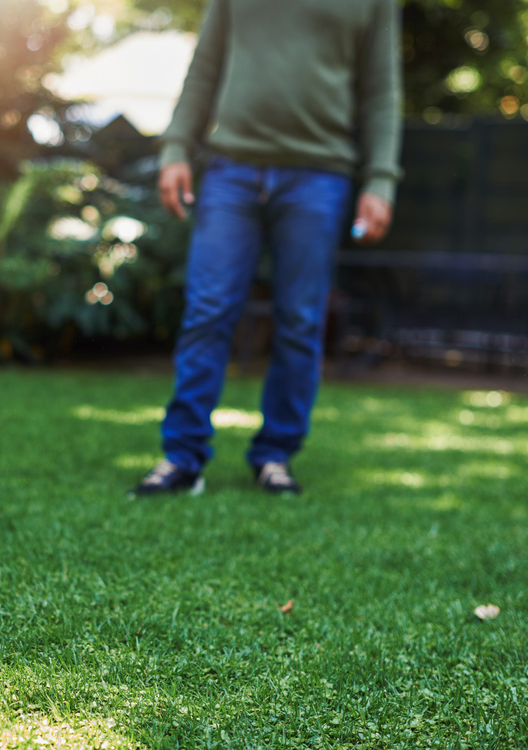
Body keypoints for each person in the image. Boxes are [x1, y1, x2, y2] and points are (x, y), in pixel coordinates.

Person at [131, 0, 402, 497]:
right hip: (230, 168)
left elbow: (382, 90)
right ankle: (182, 457)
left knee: (299, 320)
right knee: (207, 310)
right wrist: (175, 147)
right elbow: (205, 67)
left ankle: (275, 455)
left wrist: (380, 180)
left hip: (320, 176)